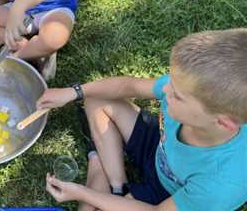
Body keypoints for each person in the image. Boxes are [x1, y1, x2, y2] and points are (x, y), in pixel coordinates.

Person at [37, 29, 247, 210]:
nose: (165, 90)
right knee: (96, 98)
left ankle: (100, 169)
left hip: (170, 194)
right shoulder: (189, 88)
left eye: (177, 95)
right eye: (171, 83)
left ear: (223, 122)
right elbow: (129, 87)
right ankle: (118, 187)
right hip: (159, 146)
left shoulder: (223, 182)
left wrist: (83, 194)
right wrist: (73, 92)